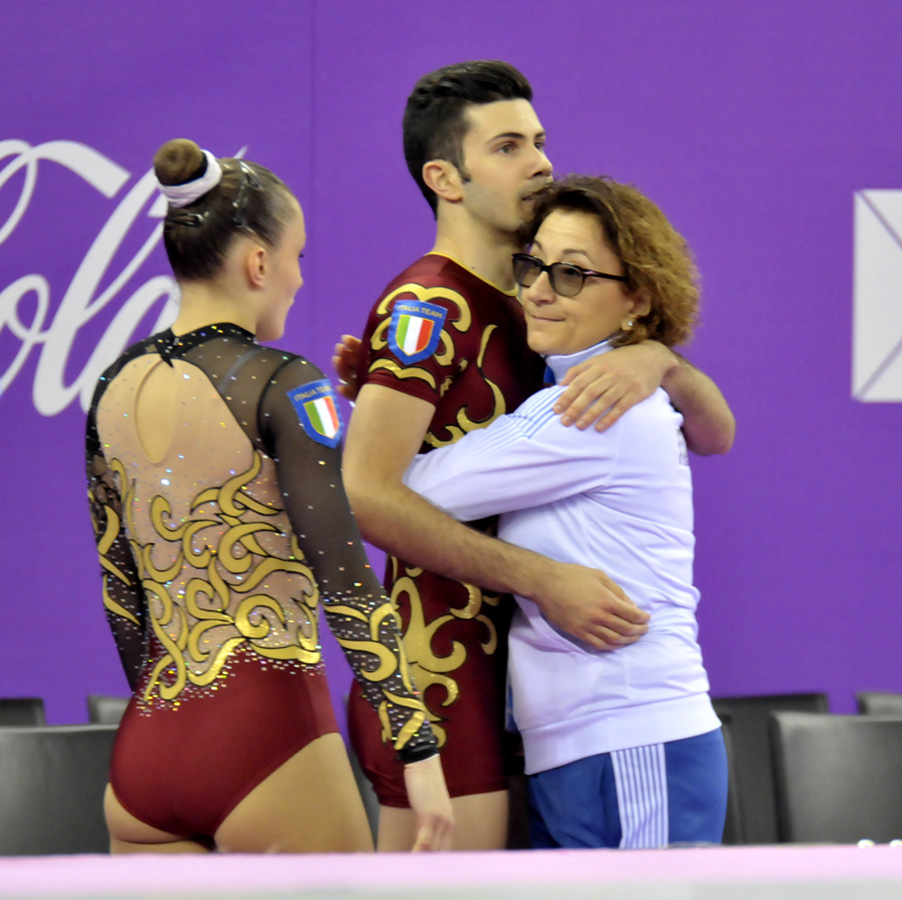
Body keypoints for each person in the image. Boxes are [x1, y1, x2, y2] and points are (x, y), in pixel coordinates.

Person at [337, 61, 735, 851]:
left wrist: (657, 358)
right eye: (510, 146)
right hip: (446, 670)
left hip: (527, 684)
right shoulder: (433, 303)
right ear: (445, 178)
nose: (541, 163)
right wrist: (542, 579)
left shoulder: (531, 311)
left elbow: (716, 431)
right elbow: (368, 492)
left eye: (541, 142)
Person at [85, 139, 453, 853]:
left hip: (149, 750)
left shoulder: (110, 390)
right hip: (268, 733)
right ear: (259, 263)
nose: (298, 279)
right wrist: (418, 749)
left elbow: (122, 598)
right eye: (298, 257)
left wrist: (181, 729)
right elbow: (345, 579)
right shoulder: (285, 382)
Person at [403, 174, 728, 848]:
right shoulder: (574, 394)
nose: (540, 290)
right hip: (585, 745)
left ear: (637, 298)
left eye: (573, 274)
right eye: (534, 265)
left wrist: (389, 399)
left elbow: (404, 491)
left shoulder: (585, 409)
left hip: (631, 737)